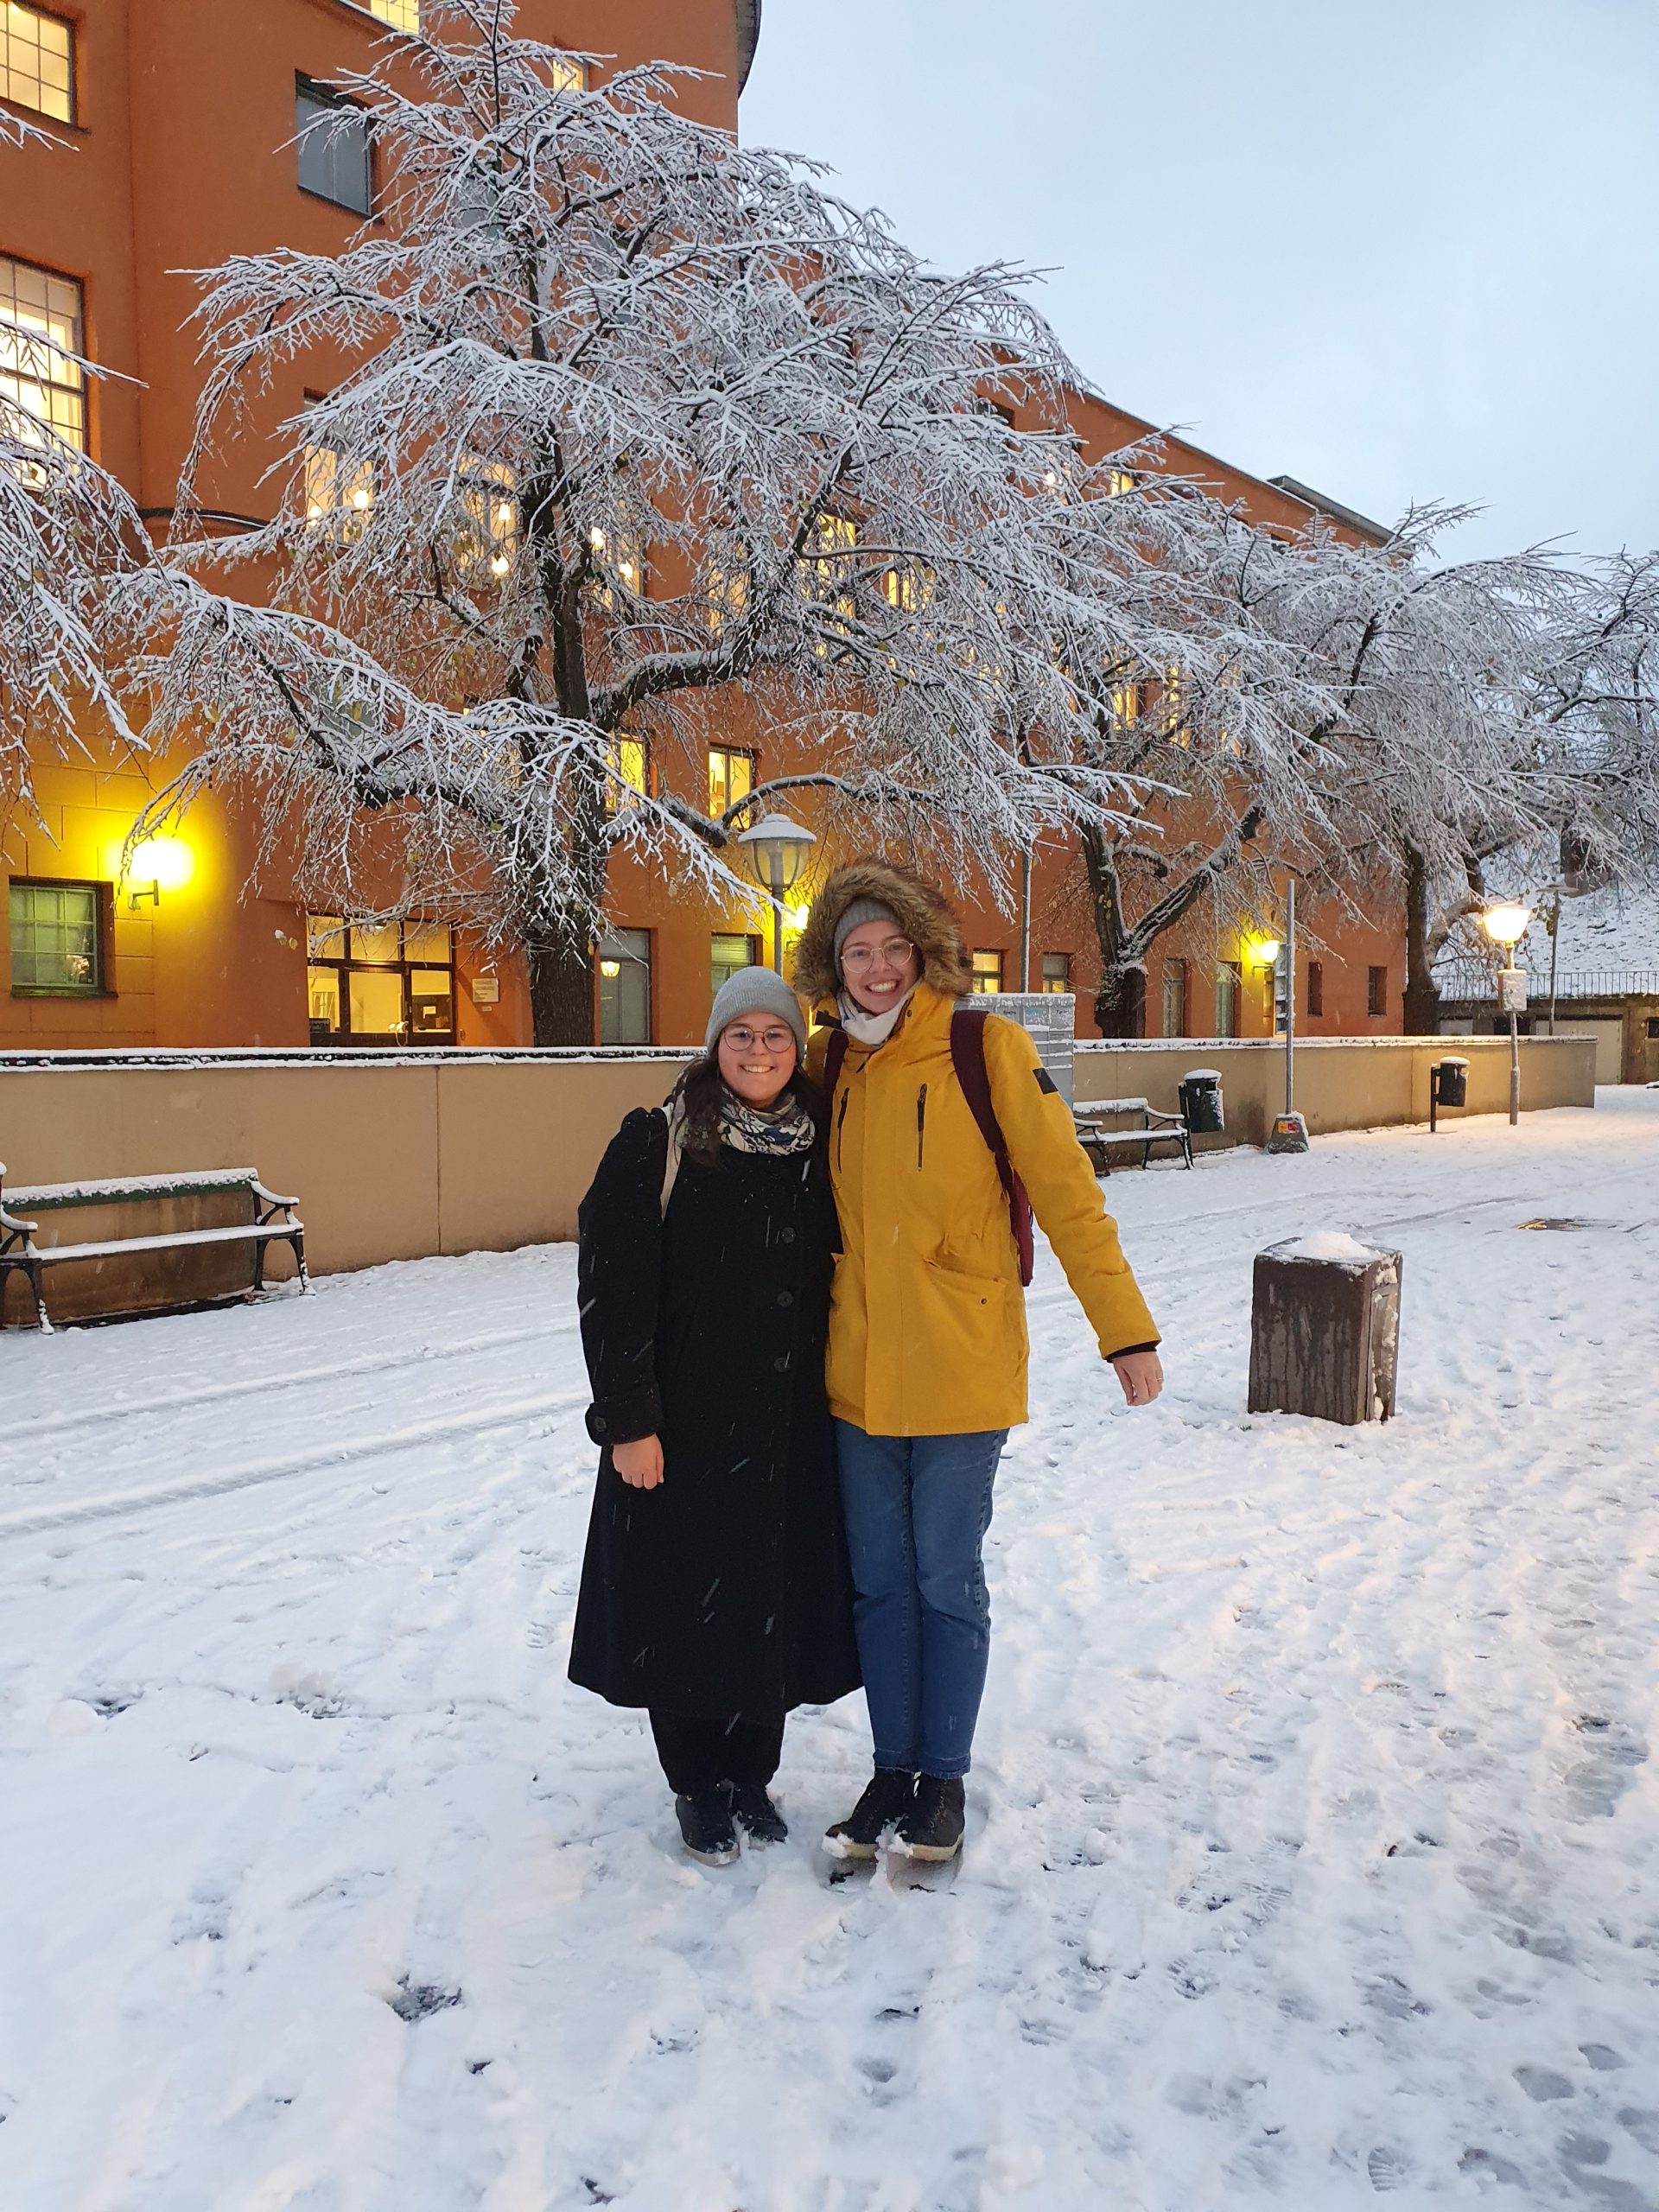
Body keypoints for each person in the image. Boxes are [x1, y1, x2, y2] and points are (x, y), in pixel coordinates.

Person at [797, 861, 1163, 1866]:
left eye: (892, 949)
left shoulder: (982, 1046)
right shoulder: (830, 1064)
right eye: (855, 952)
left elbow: (1066, 1189)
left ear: (923, 952)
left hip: (960, 1364)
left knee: (944, 1576)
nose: (875, 968)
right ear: (835, 964)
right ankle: (890, 1766)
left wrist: (1124, 1329)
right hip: (857, 1375)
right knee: (878, 1583)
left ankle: (943, 1778)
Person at [569, 967, 861, 1865]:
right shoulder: (658, 1140)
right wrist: (628, 1419)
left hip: (788, 1432)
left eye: (776, 1035)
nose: (760, 1050)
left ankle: (751, 1773)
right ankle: (697, 1783)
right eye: (742, 1035)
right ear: (714, 1043)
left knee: (769, 1604)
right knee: (682, 1613)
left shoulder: (823, 1146)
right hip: (681, 1429)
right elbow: (611, 1289)